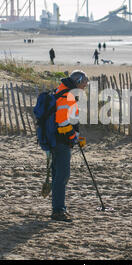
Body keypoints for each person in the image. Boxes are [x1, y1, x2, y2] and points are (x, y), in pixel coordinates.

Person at [51, 70, 89, 222]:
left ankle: (58, 208)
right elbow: (63, 122)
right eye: (84, 83)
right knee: (62, 175)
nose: (85, 86)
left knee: (58, 175)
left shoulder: (62, 91)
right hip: (61, 141)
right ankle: (58, 210)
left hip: (58, 140)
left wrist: (76, 136)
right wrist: (74, 138)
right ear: (78, 81)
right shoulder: (67, 95)